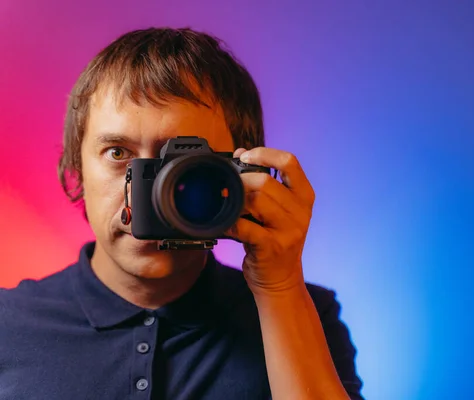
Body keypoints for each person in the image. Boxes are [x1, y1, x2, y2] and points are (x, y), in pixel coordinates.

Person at [0, 27, 363, 399]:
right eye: (117, 153)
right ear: (76, 167)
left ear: (241, 174)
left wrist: (281, 289)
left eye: (180, 161)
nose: (142, 199)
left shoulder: (303, 315)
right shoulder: (7, 325)